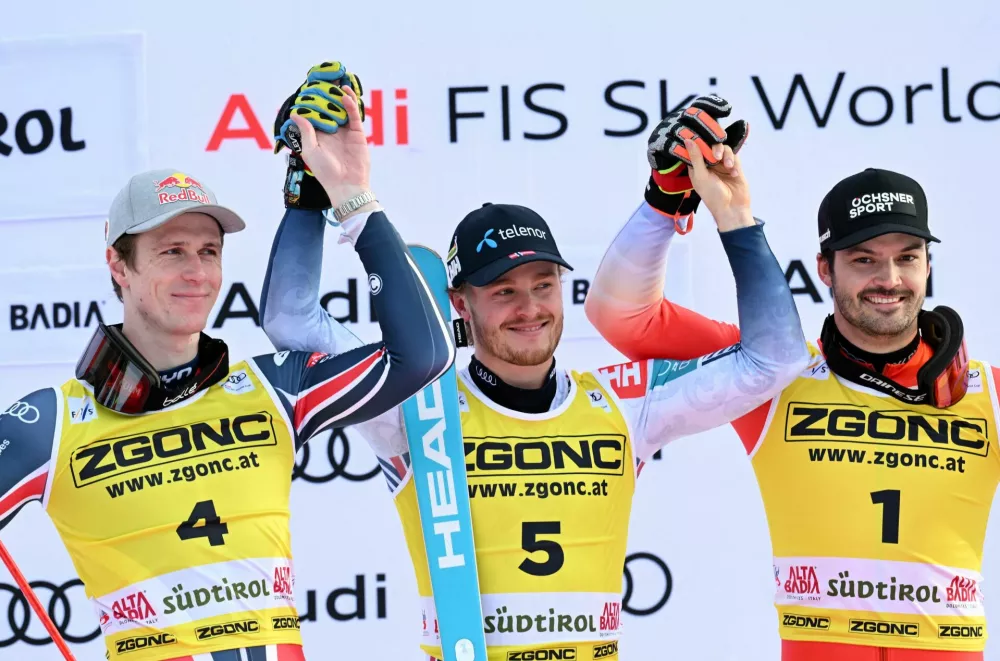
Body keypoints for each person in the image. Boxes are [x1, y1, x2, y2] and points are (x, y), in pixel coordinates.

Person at [259, 82, 811, 659]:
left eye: (543, 285)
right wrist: (311, 197)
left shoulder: (622, 405)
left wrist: (736, 218)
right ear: (459, 303)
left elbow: (774, 359)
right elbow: (291, 320)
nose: (530, 309)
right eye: (503, 291)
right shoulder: (415, 406)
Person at [0, 63, 452, 661]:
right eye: (172, 252)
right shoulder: (48, 425)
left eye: (209, 252)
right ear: (119, 266)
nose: (197, 272)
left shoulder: (273, 388)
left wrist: (348, 198)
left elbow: (422, 355)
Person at [585, 94, 993, 661]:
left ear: (928, 264)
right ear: (825, 268)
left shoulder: (987, 392)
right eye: (865, 259)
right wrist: (668, 201)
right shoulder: (775, 374)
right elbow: (622, 316)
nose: (890, 278)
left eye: (908, 256)